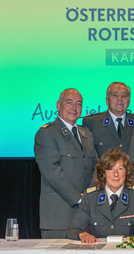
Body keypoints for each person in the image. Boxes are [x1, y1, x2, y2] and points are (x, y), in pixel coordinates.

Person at [34, 88, 99, 238]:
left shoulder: (86, 134)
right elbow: (52, 171)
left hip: (86, 217)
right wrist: (79, 198)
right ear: (58, 105)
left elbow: (97, 166)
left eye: (78, 104)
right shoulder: (47, 133)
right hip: (59, 216)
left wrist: (89, 195)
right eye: (69, 103)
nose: (74, 108)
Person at [68, 148, 134, 243]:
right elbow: (74, 230)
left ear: (127, 172)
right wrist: (83, 235)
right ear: (103, 173)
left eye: (120, 169)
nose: (116, 174)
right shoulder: (90, 197)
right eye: (111, 169)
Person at [82, 82, 134, 158]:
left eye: (124, 95)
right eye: (115, 95)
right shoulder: (91, 122)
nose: (120, 99)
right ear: (107, 100)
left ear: (129, 101)